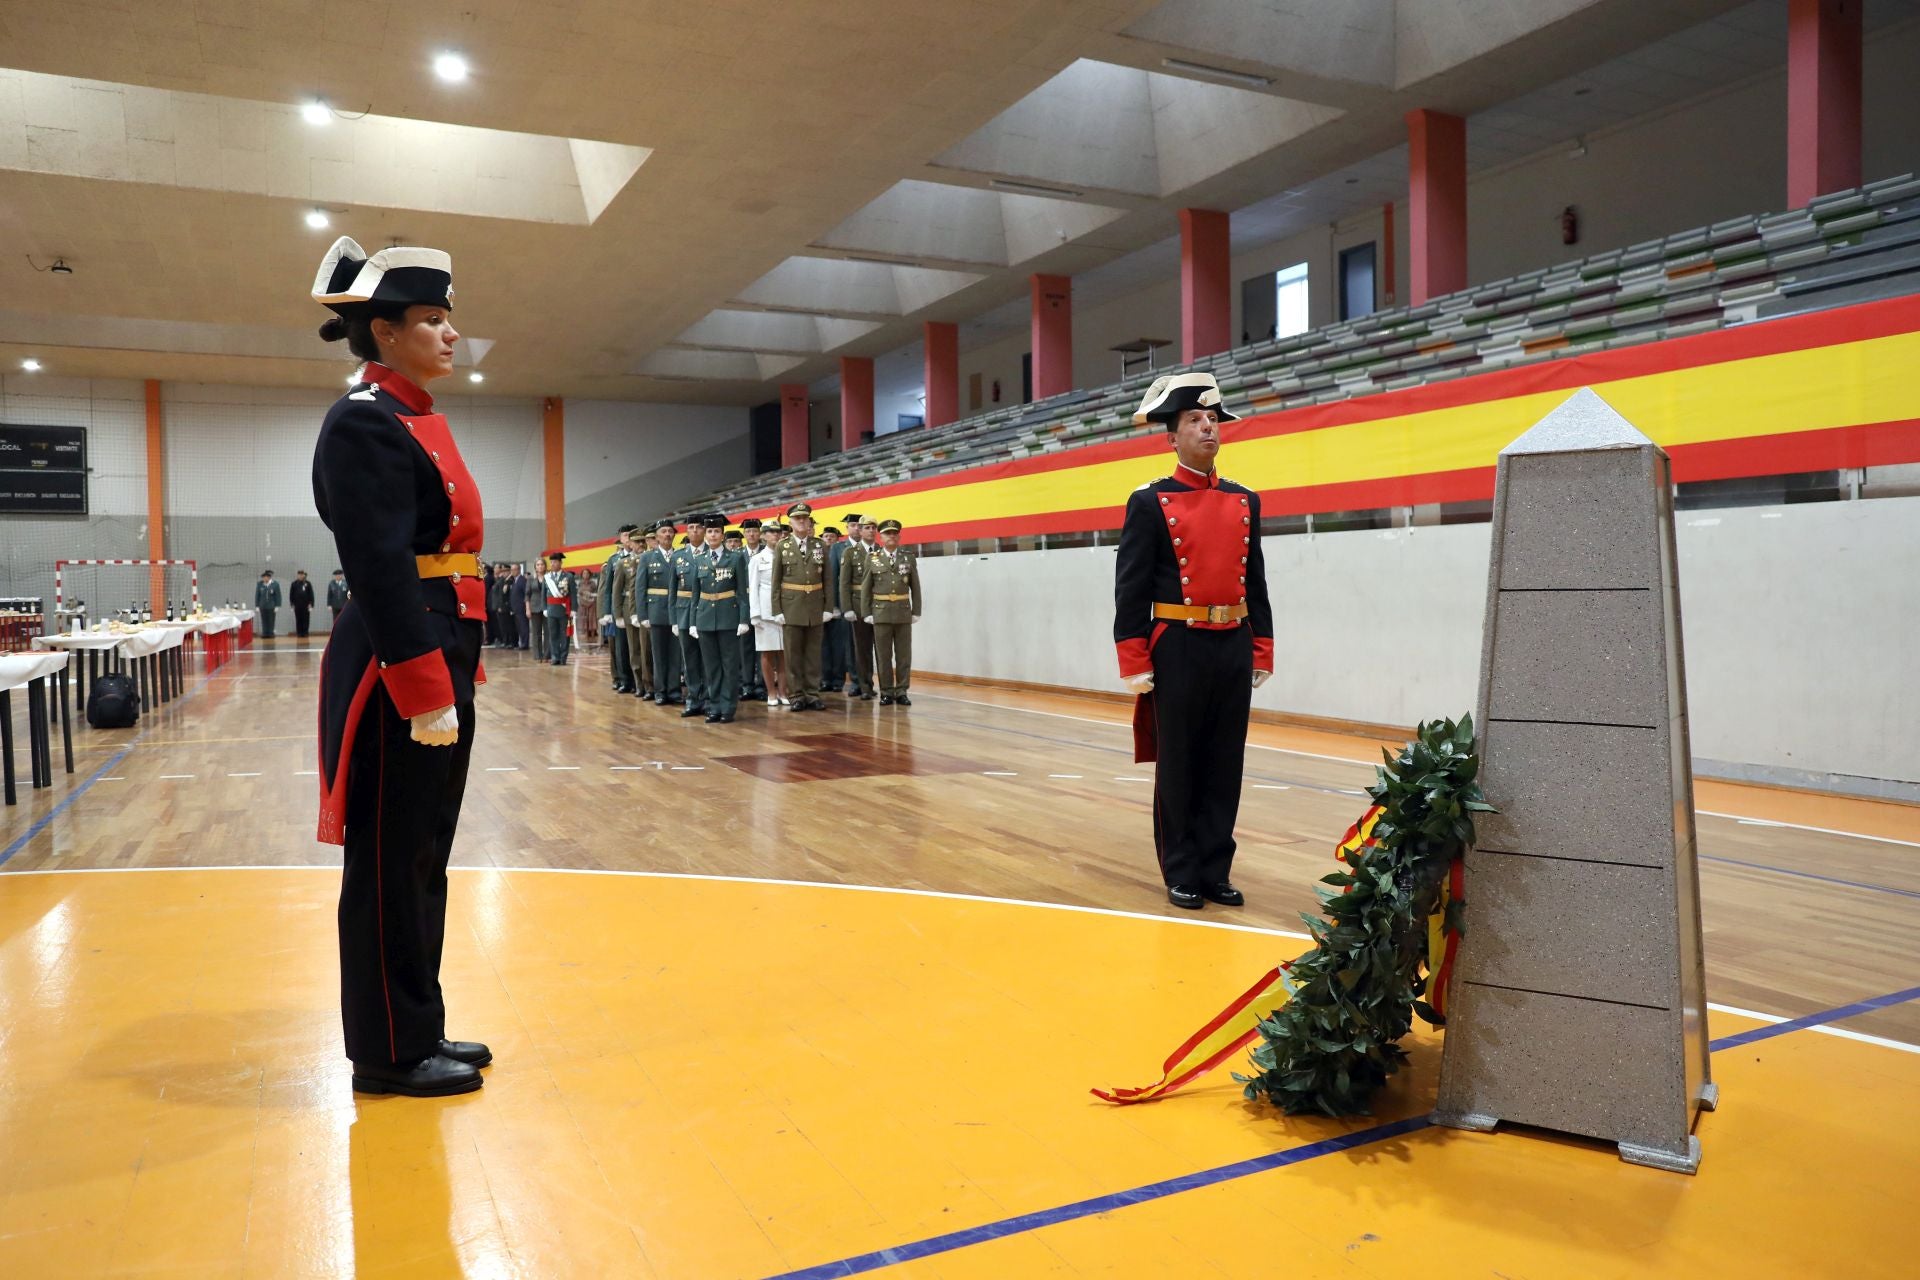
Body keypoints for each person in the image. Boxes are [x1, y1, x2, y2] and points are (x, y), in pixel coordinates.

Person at [310, 234, 488, 1096]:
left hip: (435, 645)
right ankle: (387, 1051)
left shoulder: (408, 416)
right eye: (430, 319)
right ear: (384, 332)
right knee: (389, 860)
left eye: (448, 318)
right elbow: (379, 564)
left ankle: (418, 1022)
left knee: (423, 852)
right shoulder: (363, 420)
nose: (450, 333)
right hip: (398, 660)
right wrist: (422, 685)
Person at [1112, 372, 1275, 912]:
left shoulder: (1245, 499)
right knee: (1179, 764)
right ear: (1171, 437)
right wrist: (1133, 656)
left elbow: (1255, 581)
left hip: (1233, 642)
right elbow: (1131, 587)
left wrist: (1261, 646)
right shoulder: (1149, 501)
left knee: (1226, 763)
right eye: (1194, 420)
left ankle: (1214, 868)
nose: (1208, 428)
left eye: (1212, 420)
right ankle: (1181, 869)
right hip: (1177, 644)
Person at [690, 513, 752, 723]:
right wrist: (692, 622)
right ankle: (714, 706)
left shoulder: (735, 558)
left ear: (722, 535)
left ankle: (728, 707)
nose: (713, 535)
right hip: (705, 618)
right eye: (709, 531)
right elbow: (695, 594)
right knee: (711, 667)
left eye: (717, 531)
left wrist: (743, 619)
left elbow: (742, 592)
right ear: (705, 535)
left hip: (728, 618)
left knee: (729, 666)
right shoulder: (699, 559)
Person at [857, 518, 924, 706]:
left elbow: (915, 586)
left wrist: (916, 610)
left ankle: (902, 691)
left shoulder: (908, 557)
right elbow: (866, 588)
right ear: (881, 537)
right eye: (887, 533)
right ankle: (886, 691)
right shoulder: (873, 558)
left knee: (903, 656)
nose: (891, 536)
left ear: (899, 536)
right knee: (883, 656)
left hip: (903, 612)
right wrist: (866, 612)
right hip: (881, 613)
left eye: (895, 533)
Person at [770, 501, 828, 710]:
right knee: (793, 655)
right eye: (797, 518)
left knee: (813, 654)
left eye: (805, 518)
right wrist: (777, 610)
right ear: (791, 522)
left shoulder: (820, 545)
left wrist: (828, 607)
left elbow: (828, 579)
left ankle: (812, 694)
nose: (802, 521)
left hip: (815, 606)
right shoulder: (782, 546)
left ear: (810, 521)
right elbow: (776, 581)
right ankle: (796, 695)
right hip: (791, 607)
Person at [668, 514, 708, 717]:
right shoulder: (678, 556)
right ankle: (693, 699)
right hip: (683, 612)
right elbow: (672, 591)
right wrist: (673, 620)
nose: (694, 531)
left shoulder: (712, 553)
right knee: (690, 659)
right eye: (691, 527)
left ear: (704, 530)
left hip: (707, 611)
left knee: (708, 658)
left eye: (698, 527)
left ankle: (708, 698)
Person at [639, 519, 680, 705]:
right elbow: (640, 588)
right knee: (658, 654)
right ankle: (660, 691)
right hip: (656, 610)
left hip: (677, 611)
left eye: (670, 531)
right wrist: (643, 615)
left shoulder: (680, 556)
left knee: (675, 654)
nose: (667, 534)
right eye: (663, 531)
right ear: (656, 536)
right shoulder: (647, 558)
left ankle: (674, 690)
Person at [839, 515, 878, 699]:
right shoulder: (850, 553)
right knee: (862, 650)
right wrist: (847, 608)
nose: (871, 531)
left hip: (880, 606)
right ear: (860, 531)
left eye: (873, 528)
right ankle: (865, 687)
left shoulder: (882, 551)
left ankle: (886, 688)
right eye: (867, 528)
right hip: (858, 605)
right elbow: (844, 583)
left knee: (882, 650)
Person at [748, 518, 785, 706]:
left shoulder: (786, 555)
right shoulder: (757, 559)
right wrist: (754, 614)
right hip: (765, 612)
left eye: (778, 532)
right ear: (763, 536)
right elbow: (753, 587)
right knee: (767, 653)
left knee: (785, 654)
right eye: (771, 532)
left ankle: (784, 693)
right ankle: (771, 693)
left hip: (785, 610)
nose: (775, 535)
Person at [599, 526, 637, 693]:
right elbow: (608, 589)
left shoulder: (641, 556)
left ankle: (637, 681)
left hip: (635, 606)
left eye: (631, 535)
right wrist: (607, 612)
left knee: (636, 647)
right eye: (626, 535)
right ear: (620, 539)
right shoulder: (614, 560)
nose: (628, 538)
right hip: (620, 606)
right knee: (621, 646)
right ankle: (624, 679)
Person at [735, 519, 767, 702]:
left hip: (763, 604)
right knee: (745, 647)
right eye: (748, 531)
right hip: (743, 604)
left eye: (755, 531)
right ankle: (747, 685)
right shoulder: (737, 555)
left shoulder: (767, 552)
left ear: (760, 533)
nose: (752, 534)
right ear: (744, 534)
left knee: (762, 647)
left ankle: (761, 684)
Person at [820, 523, 849, 694]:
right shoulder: (816, 554)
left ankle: (838, 680)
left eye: (832, 537)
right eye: (826, 536)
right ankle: (825, 679)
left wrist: (837, 605)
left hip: (838, 607)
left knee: (839, 646)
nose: (829, 539)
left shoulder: (841, 552)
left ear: (837, 539)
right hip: (820, 606)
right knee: (822, 646)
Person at [541, 553, 576, 665]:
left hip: (564, 610)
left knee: (565, 635)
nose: (552, 564)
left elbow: (573, 594)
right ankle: (555, 657)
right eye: (551, 562)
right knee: (553, 634)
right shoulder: (547, 577)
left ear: (560, 563)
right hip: (551, 610)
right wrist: (544, 608)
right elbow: (543, 594)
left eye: (555, 562)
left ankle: (563, 657)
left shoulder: (568, 576)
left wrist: (574, 609)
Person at [508, 563, 532, 650]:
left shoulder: (522, 580)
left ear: (518, 570)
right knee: (519, 627)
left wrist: (526, 607)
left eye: (514, 570)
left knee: (523, 626)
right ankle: (522, 643)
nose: (512, 571)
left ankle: (525, 644)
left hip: (522, 608)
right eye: (511, 570)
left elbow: (526, 594)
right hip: (516, 608)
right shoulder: (515, 580)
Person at [578, 561, 600, 645]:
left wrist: (590, 597)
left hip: (591, 604)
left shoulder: (593, 583)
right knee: (584, 619)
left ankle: (593, 636)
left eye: (587, 573)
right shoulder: (580, 583)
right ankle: (585, 636)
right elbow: (579, 593)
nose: (585, 575)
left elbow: (596, 593)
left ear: (590, 574)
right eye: (584, 573)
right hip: (583, 604)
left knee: (591, 618)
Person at [255, 569, 281, 638]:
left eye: (266, 577)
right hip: (262, 605)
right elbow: (257, 595)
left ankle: (271, 633)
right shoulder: (259, 584)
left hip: (271, 606)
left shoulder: (275, 584)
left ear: (269, 577)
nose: (264, 579)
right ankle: (265, 633)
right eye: (263, 577)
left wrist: (277, 605)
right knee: (264, 620)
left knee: (271, 620)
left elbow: (278, 595)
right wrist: (257, 605)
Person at [290, 570, 316, 637]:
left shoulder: (308, 583)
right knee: (298, 619)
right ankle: (299, 633)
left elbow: (311, 594)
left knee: (306, 619)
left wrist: (311, 604)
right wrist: (292, 604)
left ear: (304, 575)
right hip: (297, 605)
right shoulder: (294, 584)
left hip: (306, 605)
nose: (301, 576)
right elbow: (291, 595)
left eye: (302, 575)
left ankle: (305, 632)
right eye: (299, 575)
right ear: (297, 575)